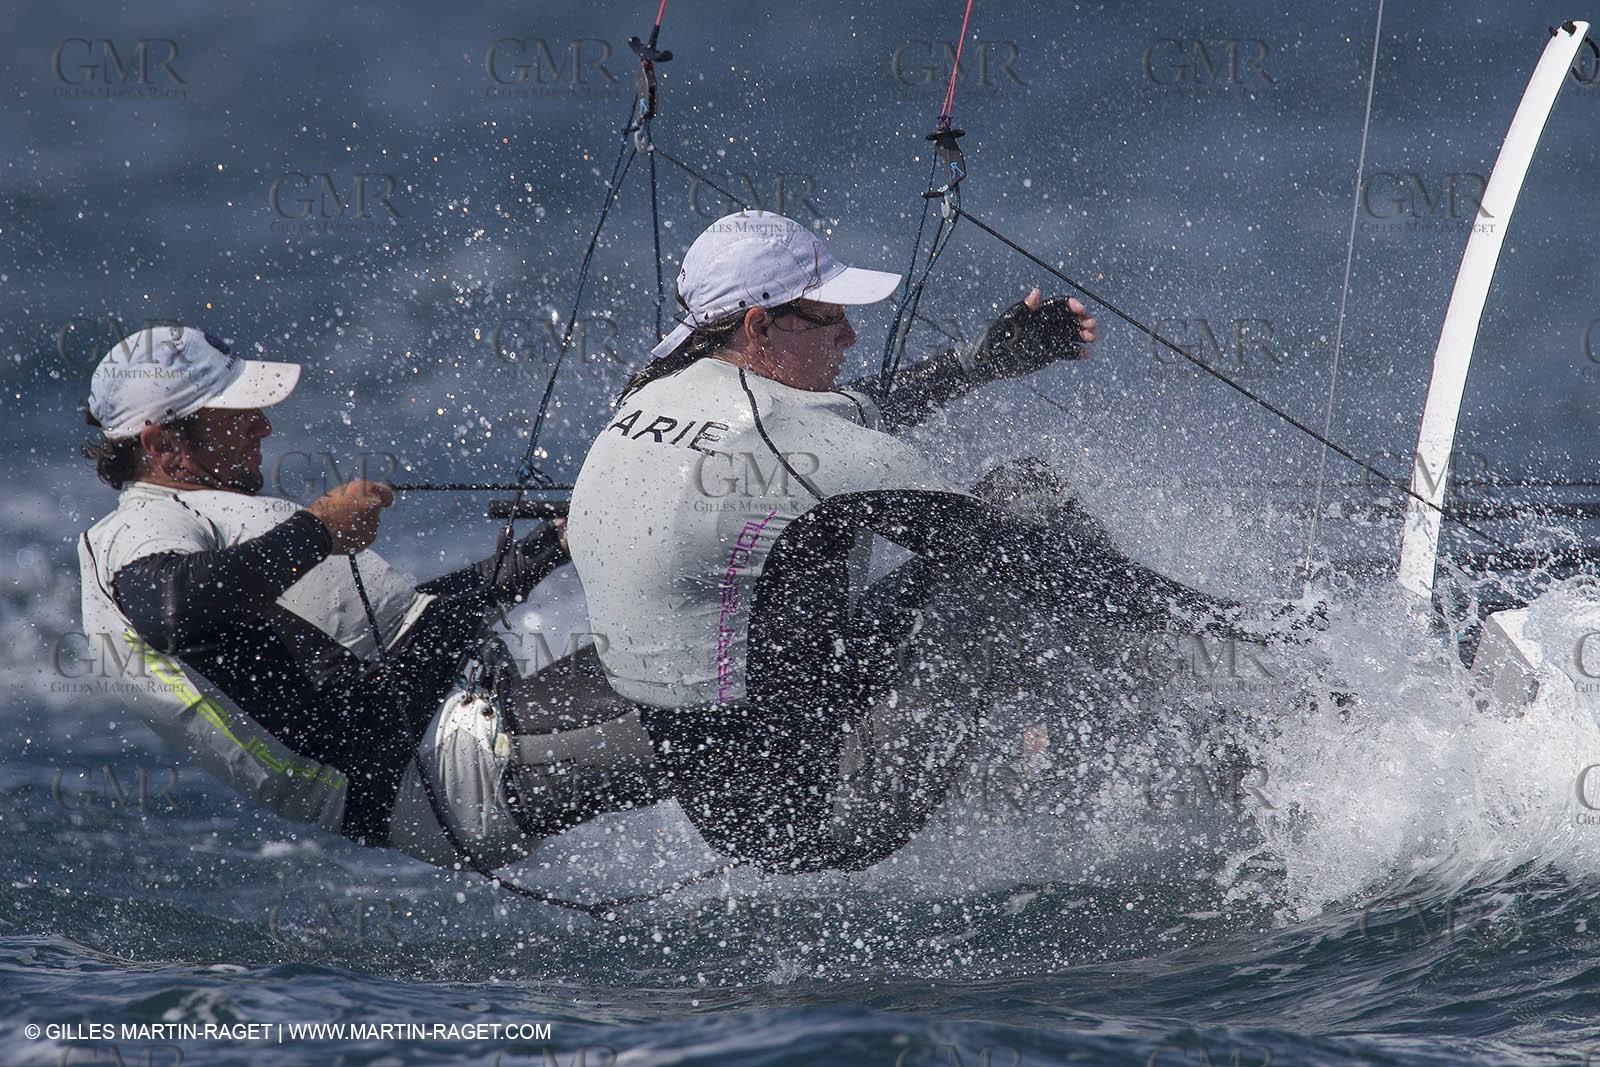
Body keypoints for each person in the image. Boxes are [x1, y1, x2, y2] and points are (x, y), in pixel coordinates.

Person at [568, 209, 1271, 874]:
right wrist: (1240, 623)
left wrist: (979, 364)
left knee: (987, 538)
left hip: (727, 786)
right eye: (829, 319)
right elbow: (1025, 560)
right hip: (818, 812)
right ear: (759, 326)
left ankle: (1095, 730)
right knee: (1026, 533)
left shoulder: (655, 398)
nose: (848, 337)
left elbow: (849, 415)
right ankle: (1222, 749)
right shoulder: (797, 451)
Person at [77, 324, 664, 869]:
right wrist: (319, 530)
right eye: (238, 413)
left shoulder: (193, 532)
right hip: (457, 767)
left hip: (466, 735)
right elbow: (170, 608)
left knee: (732, 657)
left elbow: (403, 641)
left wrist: (549, 547)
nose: (264, 426)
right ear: (163, 444)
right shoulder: (139, 532)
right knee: (726, 666)